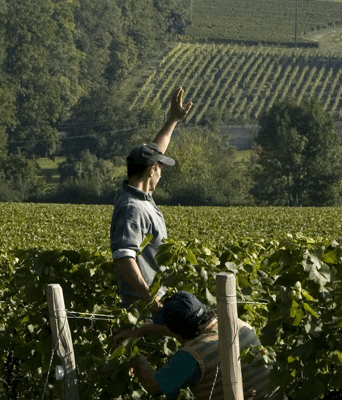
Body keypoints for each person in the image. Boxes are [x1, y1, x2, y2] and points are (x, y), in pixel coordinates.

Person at [111, 87, 194, 310]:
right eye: (160, 168)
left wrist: (173, 120)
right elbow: (123, 258)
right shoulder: (133, 208)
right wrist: (151, 301)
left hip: (153, 302)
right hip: (143, 307)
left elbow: (156, 149)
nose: (161, 173)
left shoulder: (138, 195)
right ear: (151, 171)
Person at [113, 291, 272, 400]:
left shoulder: (193, 357)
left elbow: (154, 386)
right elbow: (181, 331)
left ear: (179, 333)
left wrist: (135, 357)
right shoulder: (235, 324)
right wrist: (140, 331)